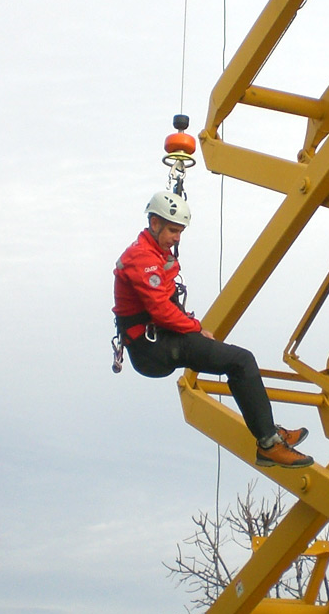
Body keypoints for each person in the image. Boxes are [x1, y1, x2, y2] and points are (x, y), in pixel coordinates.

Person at [114, 190, 313, 469]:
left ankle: (269, 433)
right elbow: (160, 309)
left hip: (159, 339)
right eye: (173, 230)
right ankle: (269, 443)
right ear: (154, 223)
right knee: (241, 361)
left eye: (180, 232)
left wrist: (192, 330)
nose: (177, 238)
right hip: (152, 348)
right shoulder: (142, 258)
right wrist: (195, 328)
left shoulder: (156, 255)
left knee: (238, 362)